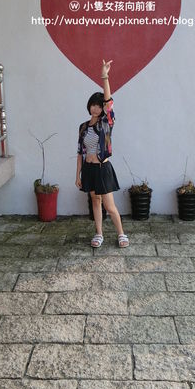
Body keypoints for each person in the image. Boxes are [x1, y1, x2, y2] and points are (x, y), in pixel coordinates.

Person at [75, 60, 129, 248]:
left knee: (109, 206)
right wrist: (78, 175)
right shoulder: (83, 127)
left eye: (99, 106)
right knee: (95, 201)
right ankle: (99, 233)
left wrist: (104, 77)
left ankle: (121, 234)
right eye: (93, 105)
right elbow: (80, 152)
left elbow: (109, 103)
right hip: (89, 169)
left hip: (102, 168)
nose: (95, 108)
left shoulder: (106, 123)